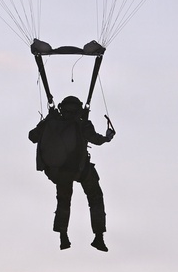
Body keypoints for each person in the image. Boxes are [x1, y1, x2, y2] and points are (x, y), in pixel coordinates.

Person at [28, 95, 115, 251]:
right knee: (95, 198)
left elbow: (32, 136)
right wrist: (107, 138)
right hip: (80, 170)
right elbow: (95, 139)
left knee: (63, 202)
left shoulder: (50, 122)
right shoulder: (82, 124)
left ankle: (63, 237)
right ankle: (98, 237)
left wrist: (47, 121)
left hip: (59, 171)